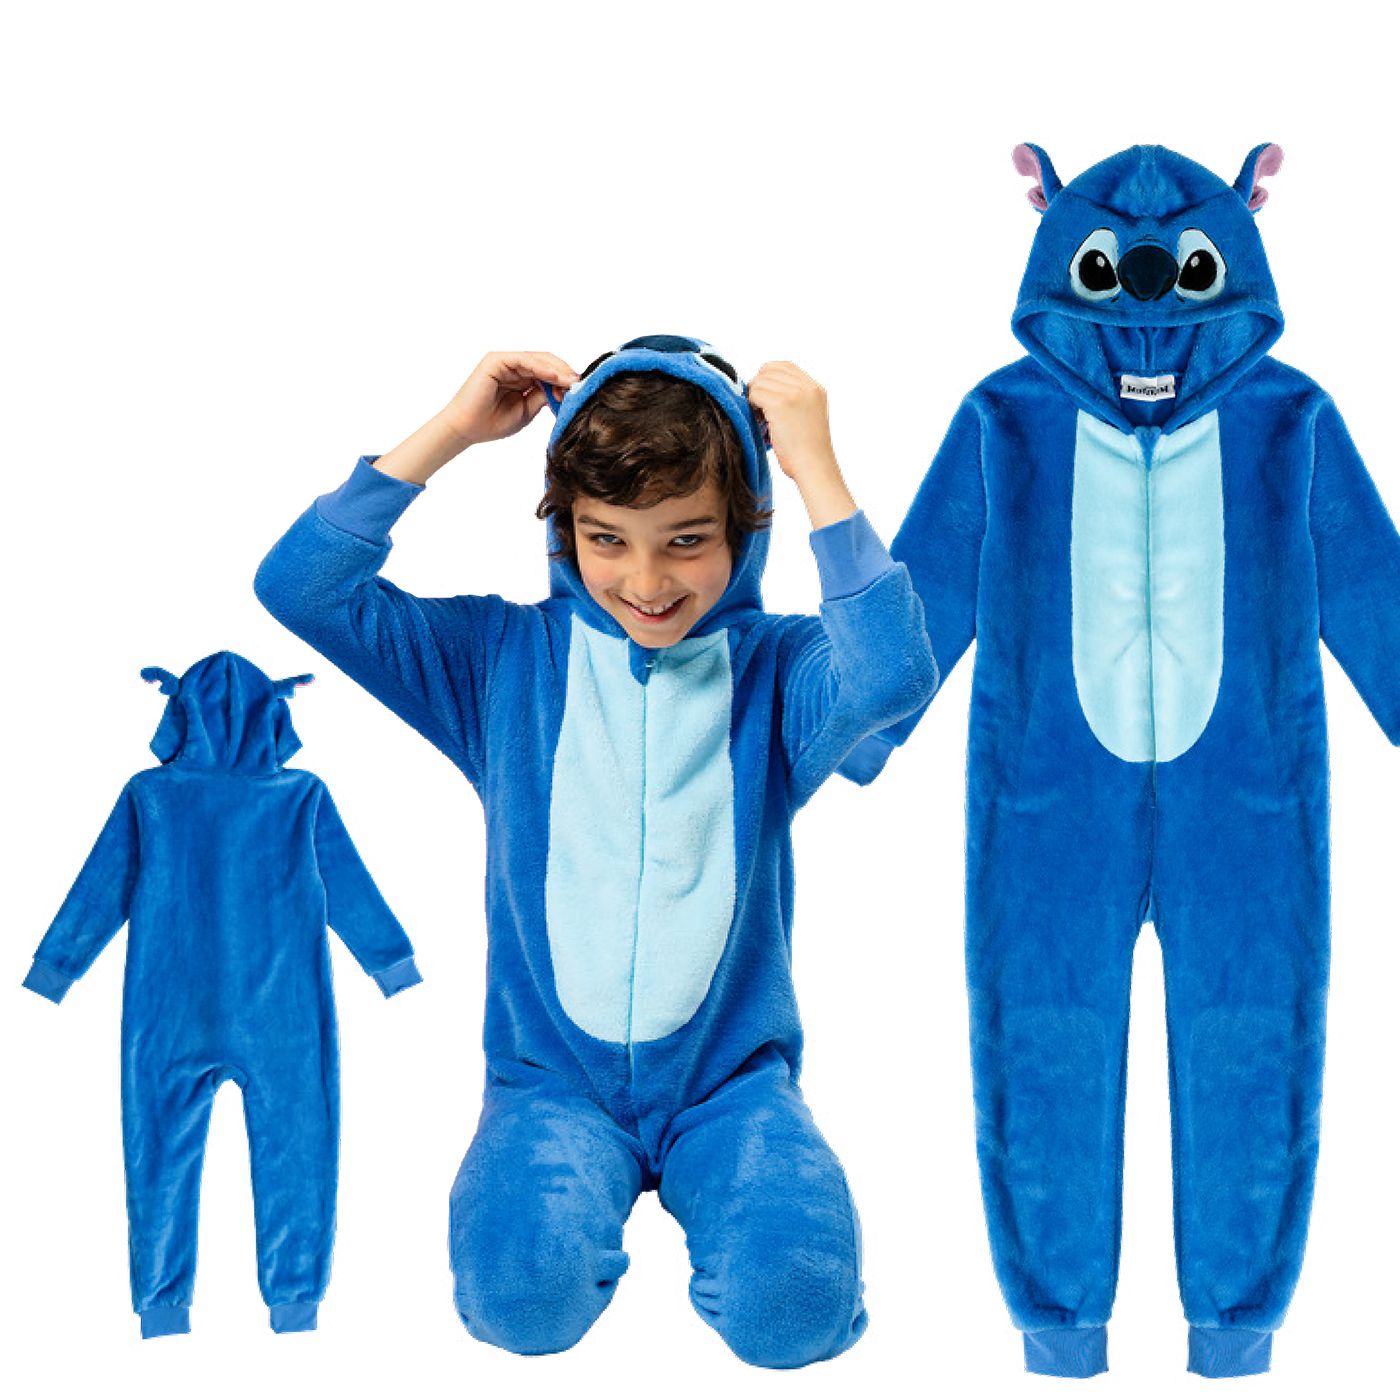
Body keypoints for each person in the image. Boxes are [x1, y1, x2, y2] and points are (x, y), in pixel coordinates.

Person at [253, 333, 937, 1366]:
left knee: (793, 1308)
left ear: (744, 524)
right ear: (564, 529)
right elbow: (300, 589)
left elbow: (892, 673)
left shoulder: (781, 670)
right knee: (519, 1302)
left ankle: (738, 1224)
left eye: (686, 539)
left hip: (732, 1090)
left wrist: (814, 467)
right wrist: (450, 431)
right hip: (550, 1087)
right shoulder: (497, 664)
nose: (645, 579)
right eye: (605, 538)